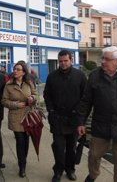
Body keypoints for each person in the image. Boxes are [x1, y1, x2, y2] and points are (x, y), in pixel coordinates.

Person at [76, 46, 117, 182]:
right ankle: (93, 175)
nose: (103, 62)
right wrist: (81, 122)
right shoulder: (95, 76)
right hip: (101, 125)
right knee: (94, 156)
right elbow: (86, 101)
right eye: (103, 58)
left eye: (107, 59)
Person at [43, 50, 87, 182]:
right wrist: (50, 110)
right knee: (58, 147)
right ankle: (58, 171)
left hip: (74, 119)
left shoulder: (80, 76)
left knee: (71, 148)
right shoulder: (52, 76)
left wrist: (80, 117)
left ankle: (70, 169)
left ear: (71, 60)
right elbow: (47, 95)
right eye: (60, 61)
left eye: (65, 61)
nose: (62, 63)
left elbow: (85, 98)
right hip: (57, 118)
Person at [2, 61, 37, 178]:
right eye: (14, 69)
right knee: (20, 142)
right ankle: (22, 166)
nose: (15, 71)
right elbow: (4, 101)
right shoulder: (9, 85)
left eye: (18, 69)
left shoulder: (29, 83)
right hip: (16, 117)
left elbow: (35, 94)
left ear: (23, 72)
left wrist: (32, 98)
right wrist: (14, 104)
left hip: (28, 116)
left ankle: (24, 162)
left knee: (26, 142)